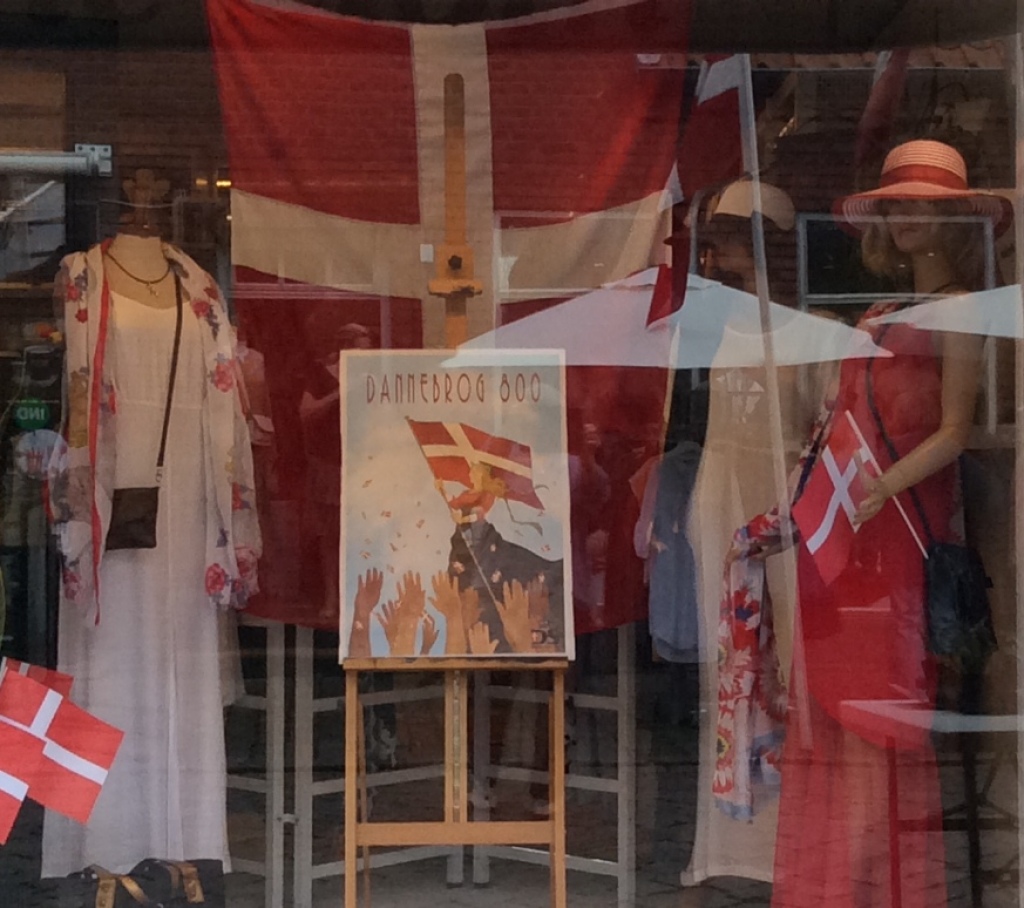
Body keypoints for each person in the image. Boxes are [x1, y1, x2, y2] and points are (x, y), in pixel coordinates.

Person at [758, 139, 1010, 908]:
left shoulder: (962, 311)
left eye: (924, 206)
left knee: (877, 721)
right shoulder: (876, 313)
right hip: (841, 536)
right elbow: (840, 419)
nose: (906, 218)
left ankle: (869, 889)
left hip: (898, 531)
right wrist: (811, 493)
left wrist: (880, 488)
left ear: (955, 221)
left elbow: (955, 431)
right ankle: (836, 888)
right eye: (897, 205)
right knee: (835, 721)